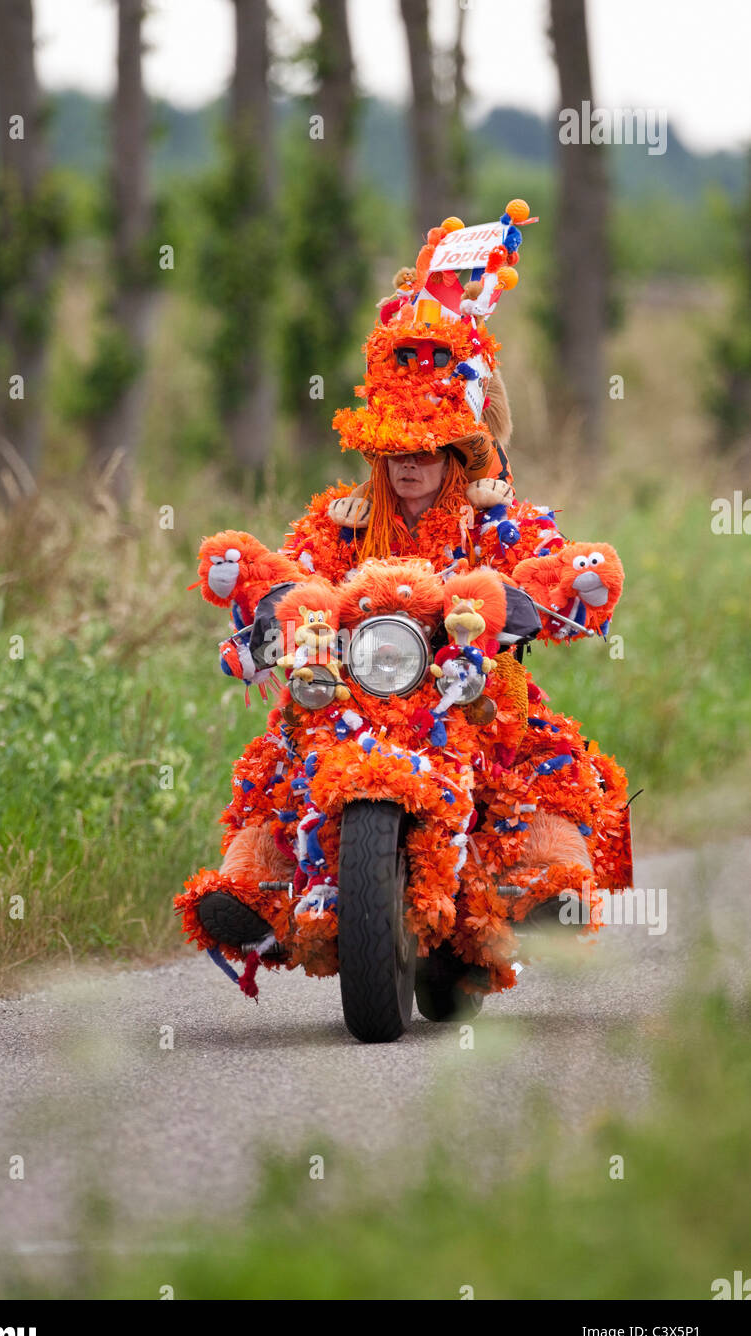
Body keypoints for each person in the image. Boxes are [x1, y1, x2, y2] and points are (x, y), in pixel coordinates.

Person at [180, 204, 632, 958]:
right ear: (375, 456)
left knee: (534, 744)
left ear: (460, 451)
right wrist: (267, 599)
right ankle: (256, 892)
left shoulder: (500, 515)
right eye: (395, 452)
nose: (410, 464)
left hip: (472, 682)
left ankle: (543, 883)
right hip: (356, 686)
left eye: (427, 449)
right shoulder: (344, 517)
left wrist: (560, 591)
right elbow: (293, 571)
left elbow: (551, 562)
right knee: (283, 745)